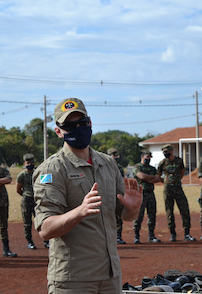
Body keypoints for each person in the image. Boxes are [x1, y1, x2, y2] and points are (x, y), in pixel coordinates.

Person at [33, 98, 142, 294]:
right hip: (74, 280)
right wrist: (79, 212)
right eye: (69, 125)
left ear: (90, 123)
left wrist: (133, 208)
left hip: (110, 277)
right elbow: (45, 229)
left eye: (82, 123)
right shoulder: (52, 169)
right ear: (58, 131)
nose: (78, 128)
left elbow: (124, 216)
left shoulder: (108, 164)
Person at [157, 144, 195, 242]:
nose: (165, 154)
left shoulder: (179, 160)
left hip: (178, 188)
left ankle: (187, 233)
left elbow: (182, 172)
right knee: (169, 211)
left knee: (184, 210)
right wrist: (166, 181)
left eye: (166, 152)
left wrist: (176, 180)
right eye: (164, 152)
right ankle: (173, 234)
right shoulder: (162, 163)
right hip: (168, 190)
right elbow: (158, 175)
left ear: (171, 151)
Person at [16, 153, 49, 249]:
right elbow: (18, 189)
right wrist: (26, 195)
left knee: (42, 220)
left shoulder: (40, 172)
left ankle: (46, 241)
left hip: (38, 200)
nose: (30, 164)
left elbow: (46, 185)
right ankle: (29, 241)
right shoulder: (21, 175)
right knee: (27, 223)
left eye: (31, 162)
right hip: (27, 200)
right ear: (24, 163)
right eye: (28, 162)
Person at [133, 150, 163, 244]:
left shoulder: (152, 168)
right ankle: (136, 236)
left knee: (152, 215)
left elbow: (157, 179)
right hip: (140, 194)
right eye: (147, 157)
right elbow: (141, 176)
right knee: (138, 215)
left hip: (150, 193)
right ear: (142, 156)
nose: (148, 159)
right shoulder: (137, 166)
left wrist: (148, 178)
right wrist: (151, 177)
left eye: (150, 157)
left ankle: (151, 235)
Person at [108, 147, 127, 244]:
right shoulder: (104, 167)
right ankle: (109, 238)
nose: (116, 157)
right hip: (107, 195)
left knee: (119, 217)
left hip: (118, 195)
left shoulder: (119, 168)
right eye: (114, 155)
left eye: (117, 155)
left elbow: (121, 181)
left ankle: (118, 237)